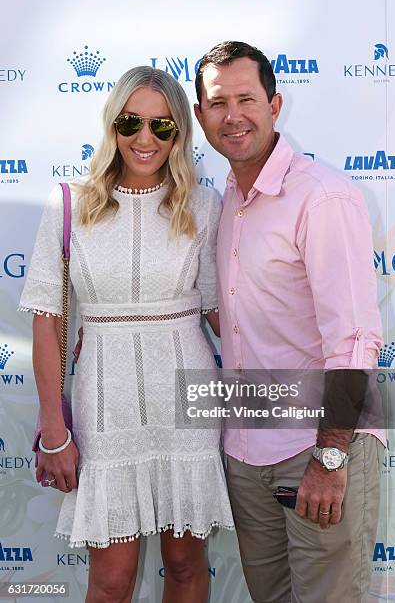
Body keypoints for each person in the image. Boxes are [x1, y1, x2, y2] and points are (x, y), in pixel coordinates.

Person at [19, 65, 234, 603]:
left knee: (186, 566)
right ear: (112, 123)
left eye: (162, 126)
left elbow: (218, 312)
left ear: (180, 132)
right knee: (111, 580)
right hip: (104, 407)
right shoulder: (70, 203)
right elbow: (45, 320)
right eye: (131, 122)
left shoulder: (203, 207)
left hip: (187, 403)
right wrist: (53, 429)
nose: (144, 138)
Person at [194, 41, 385, 603]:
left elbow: (353, 342)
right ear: (201, 115)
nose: (232, 116)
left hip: (317, 447)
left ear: (275, 105)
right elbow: (237, 317)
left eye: (246, 99)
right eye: (217, 102)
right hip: (248, 450)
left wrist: (330, 458)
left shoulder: (322, 197)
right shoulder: (227, 197)